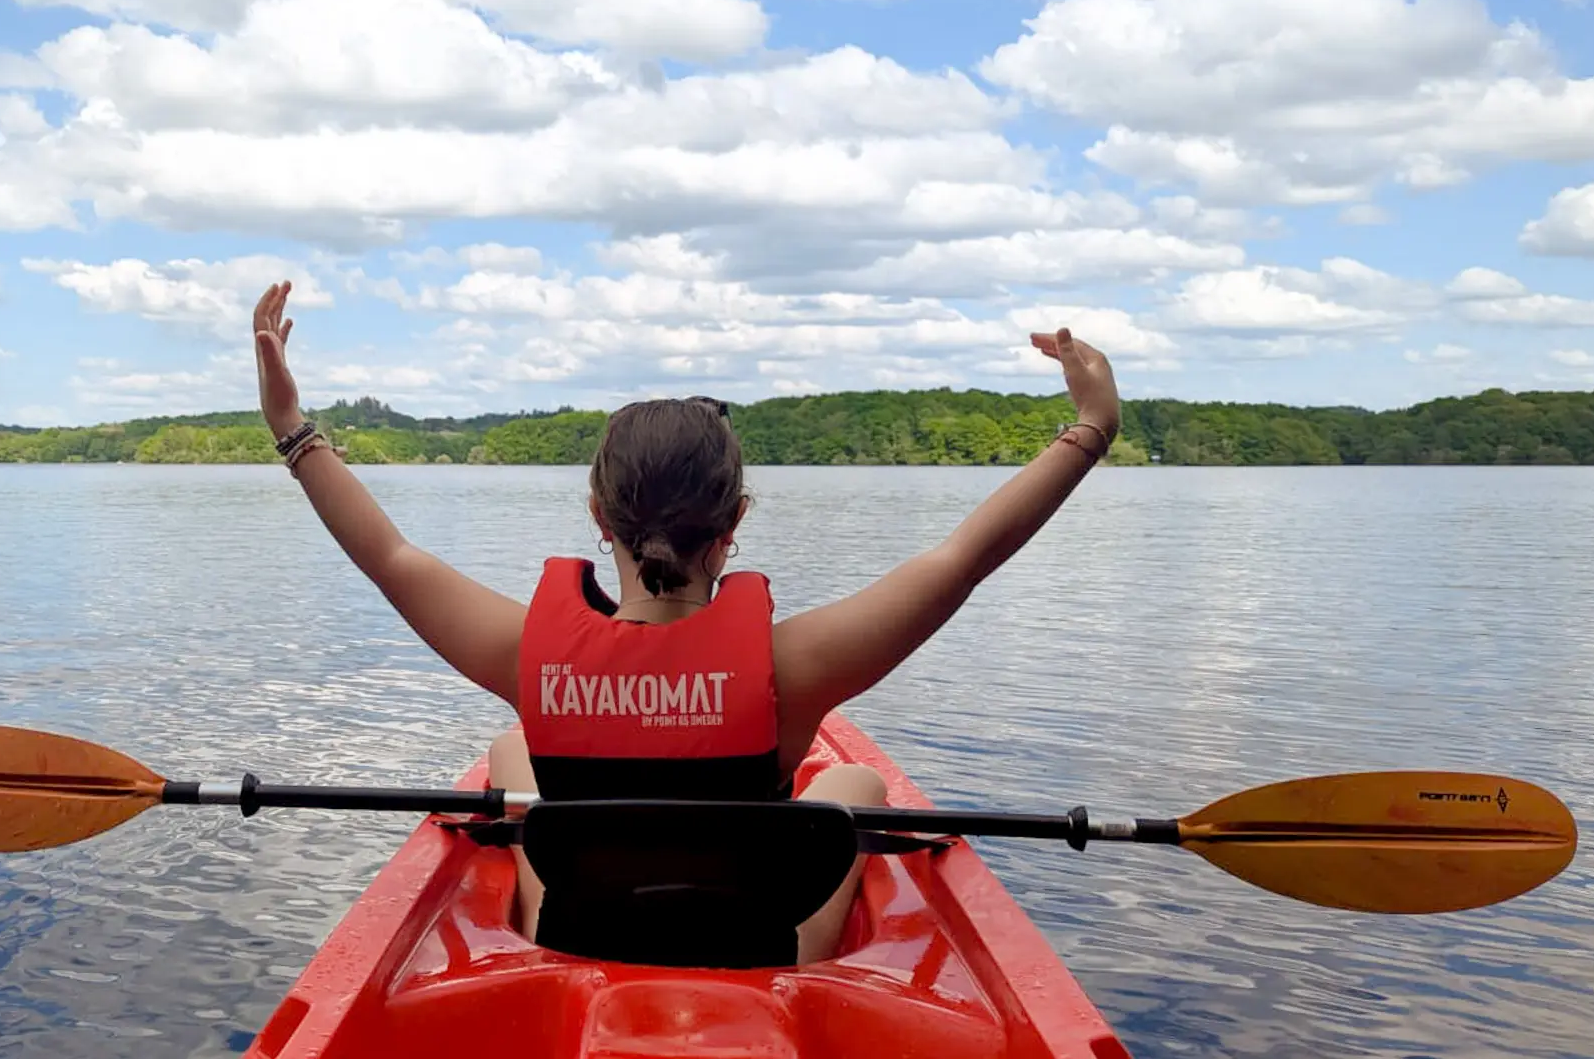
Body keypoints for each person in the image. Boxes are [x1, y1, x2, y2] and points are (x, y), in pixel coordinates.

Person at [249, 280, 1121, 964]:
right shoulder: (801, 666)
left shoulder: (527, 657)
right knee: (855, 789)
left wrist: (293, 430)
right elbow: (962, 559)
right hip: (757, 949)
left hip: (575, 934)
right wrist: (1090, 429)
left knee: (515, 754)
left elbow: (391, 559)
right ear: (734, 521)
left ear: (599, 513)